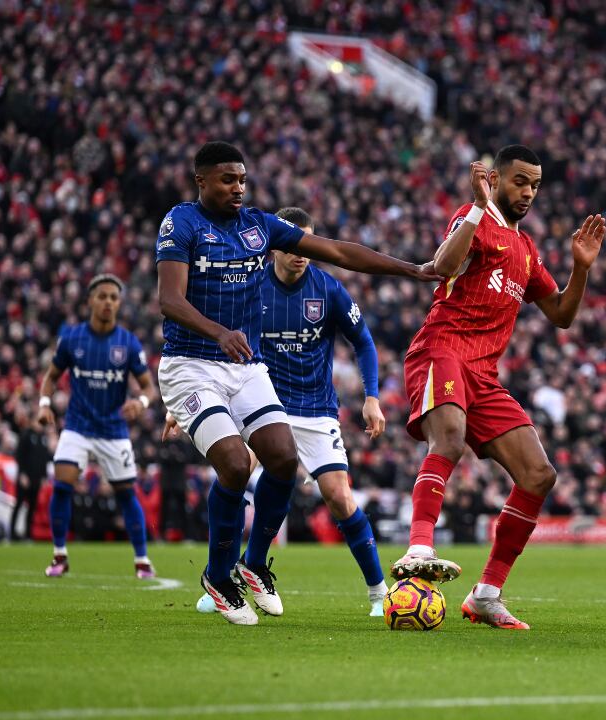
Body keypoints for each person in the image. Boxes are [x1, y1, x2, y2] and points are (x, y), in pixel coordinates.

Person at [155, 141, 436, 625]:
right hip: (191, 363)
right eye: (227, 180)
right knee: (236, 463)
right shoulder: (180, 224)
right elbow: (169, 300)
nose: (238, 188)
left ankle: (255, 564)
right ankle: (219, 577)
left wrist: (411, 269)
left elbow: (337, 251)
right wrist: (221, 332)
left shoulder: (259, 227)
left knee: (283, 458)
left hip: (244, 367)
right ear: (201, 180)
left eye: (242, 179)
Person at [389, 145, 606, 630]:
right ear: (497, 179)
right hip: (442, 349)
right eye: (519, 182)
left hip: (484, 375)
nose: (527, 192)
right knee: (448, 438)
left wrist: (581, 268)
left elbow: (562, 316)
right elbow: (442, 268)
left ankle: (486, 594)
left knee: (538, 475)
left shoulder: (527, 250)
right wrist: (477, 206)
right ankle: (419, 547)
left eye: (535, 185)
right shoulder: (473, 219)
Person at [179, 206, 390, 617]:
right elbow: (212, 338)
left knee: (340, 497)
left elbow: (363, 341)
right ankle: (221, 574)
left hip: (315, 408)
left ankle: (379, 593)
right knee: (234, 470)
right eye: (291, 244)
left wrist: (372, 396)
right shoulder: (252, 286)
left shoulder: (327, 290)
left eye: (306, 243)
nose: (299, 252)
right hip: (262, 405)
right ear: (274, 246)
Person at [35, 274, 157, 578]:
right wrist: (45, 404)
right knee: (61, 486)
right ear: (90, 300)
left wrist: (140, 403)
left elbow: (148, 387)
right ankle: (59, 555)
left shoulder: (127, 342)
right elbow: (50, 377)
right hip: (77, 426)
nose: (108, 302)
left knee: (126, 494)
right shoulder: (72, 339)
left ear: (119, 304)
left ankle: (142, 560)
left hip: (113, 430)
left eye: (114, 298)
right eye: (102, 296)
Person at [11, 409, 52, 541]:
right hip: (25, 478)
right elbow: (19, 456)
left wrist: (44, 477)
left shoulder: (43, 438)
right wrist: (22, 474)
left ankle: (28, 534)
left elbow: (44, 459)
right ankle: (12, 534)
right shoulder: (26, 435)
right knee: (19, 505)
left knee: (32, 507)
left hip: (37, 479)